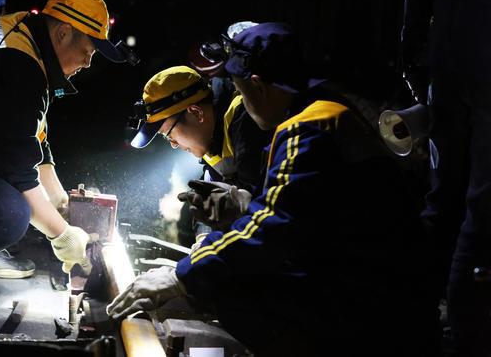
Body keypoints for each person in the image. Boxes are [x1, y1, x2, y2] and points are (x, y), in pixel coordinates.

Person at [108, 23, 440, 356]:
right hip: (380, 287)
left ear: (257, 86)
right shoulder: (322, 113)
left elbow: (273, 228)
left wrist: (181, 276)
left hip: (376, 303)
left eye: (241, 91)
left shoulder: (308, 128)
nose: (240, 101)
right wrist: (243, 208)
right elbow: (296, 213)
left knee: (230, 291)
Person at [0, 0, 127, 278]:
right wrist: (62, 234)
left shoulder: (25, 40)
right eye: (87, 52)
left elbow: (34, 140)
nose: (88, 63)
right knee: (11, 214)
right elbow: (17, 169)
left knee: (26, 203)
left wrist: (60, 202)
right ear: (63, 33)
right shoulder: (19, 63)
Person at [401, 0, 491, 354]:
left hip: (448, 62)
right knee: (481, 209)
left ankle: (414, 320)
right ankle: (462, 337)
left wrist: (413, 55)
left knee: (443, 201)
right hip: (479, 68)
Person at [129, 65, 271, 247]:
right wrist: (203, 238)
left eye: (169, 134)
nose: (173, 144)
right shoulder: (211, 141)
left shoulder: (245, 122)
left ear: (196, 112)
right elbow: (209, 198)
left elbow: (260, 208)